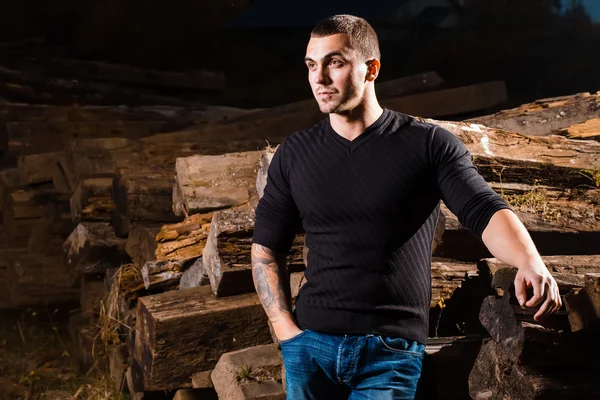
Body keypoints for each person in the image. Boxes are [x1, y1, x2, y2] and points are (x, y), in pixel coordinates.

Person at [250, 14, 562, 400]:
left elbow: (482, 209)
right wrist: (287, 333)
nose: (319, 78)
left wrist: (530, 261)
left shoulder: (426, 145)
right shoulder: (294, 153)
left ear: (371, 69)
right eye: (312, 65)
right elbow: (266, 248)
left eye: (335, 62)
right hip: (311, 349)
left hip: (389, 355)